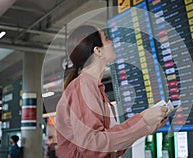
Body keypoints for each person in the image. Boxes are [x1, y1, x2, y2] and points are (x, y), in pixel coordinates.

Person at [55, 25, 170, 158]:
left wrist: (146, 126)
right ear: (98, 50)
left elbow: (110, 148)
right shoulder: (83, 86)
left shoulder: (94, 88)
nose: (111, 42)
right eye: (106, 39)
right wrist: (142, 121)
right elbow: (92, 147)